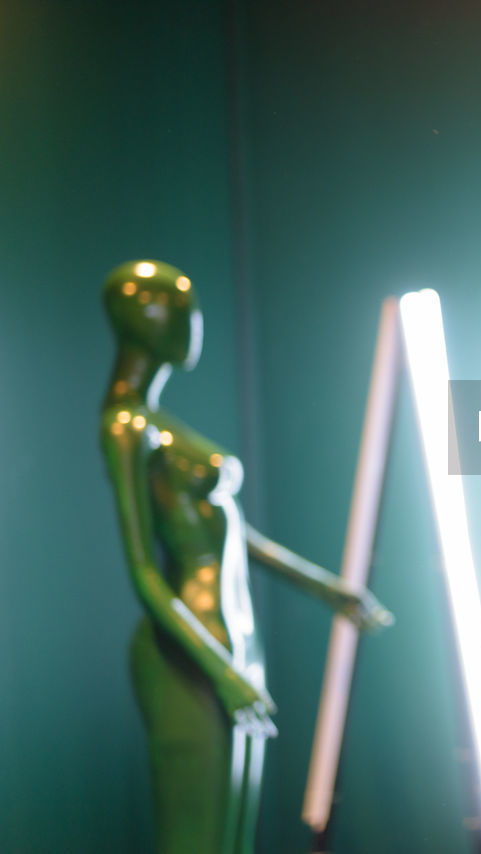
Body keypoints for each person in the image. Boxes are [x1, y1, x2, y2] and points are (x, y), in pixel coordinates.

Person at [100, 260, 393, 854]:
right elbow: (143, 571)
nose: (194, 323)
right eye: (181, 309)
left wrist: (329, 589)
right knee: (197, 837)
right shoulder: (125, 427)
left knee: (236, 835)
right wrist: (222, 672)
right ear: (146, 317)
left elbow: (237, 533)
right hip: (190, 653)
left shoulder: (161, 424)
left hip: (234, 644)